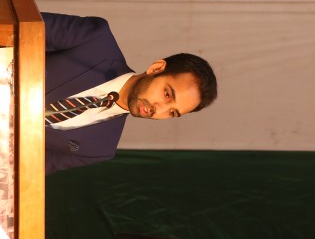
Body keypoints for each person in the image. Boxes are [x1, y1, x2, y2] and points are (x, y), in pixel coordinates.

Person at [43, 12, 217, 174]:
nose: (159, 109)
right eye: (167, 94)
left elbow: (30, 172)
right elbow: (26, 28)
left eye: (172, 112)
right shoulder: (95, 38)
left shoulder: (100, 149)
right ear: (156, 68)